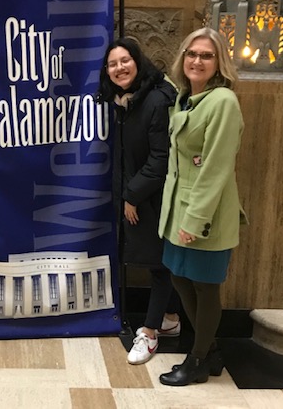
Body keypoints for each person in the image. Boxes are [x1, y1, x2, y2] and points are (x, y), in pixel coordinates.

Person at [157, 27, 247, 386]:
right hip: (178, 206)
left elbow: (215, 168)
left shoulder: (223, 101)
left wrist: (195, 219)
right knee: (179, 278)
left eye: (206, 55)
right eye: (192, 53)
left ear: (219, 62)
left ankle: (197, 360)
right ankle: (209, 352)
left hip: (205, 212)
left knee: (206, 286)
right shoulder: (184, 98)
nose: (197, 60)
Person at [98, 37, 180, 365]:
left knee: (159, 264)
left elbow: (161, 158)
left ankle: (149, 333)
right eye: (112, 63)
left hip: (153, 197)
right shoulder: (122, 102)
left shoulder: (156, 100)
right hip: (135, 194)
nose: (119, 68)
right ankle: (170, 317)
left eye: (125, 61)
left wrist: (132, 195)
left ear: (138, 61)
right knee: (156, 259)